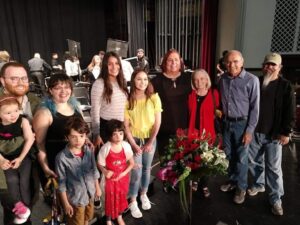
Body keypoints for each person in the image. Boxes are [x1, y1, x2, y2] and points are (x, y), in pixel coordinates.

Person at [248, 53, 294, 216]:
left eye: (273, 65)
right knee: (254, 163)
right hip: (255, 132)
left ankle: (275, 199)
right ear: (263, 66)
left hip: (274, 135)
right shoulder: (256, 82)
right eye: (267, 64)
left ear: (279, 67)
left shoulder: (286, 86)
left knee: (274, 168)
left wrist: (286, 131)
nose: (269, 67)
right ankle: (259, 184)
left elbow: (290, 110)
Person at [0, 62, 41, 224]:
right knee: (12, 206)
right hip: (4, 166)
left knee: (29, 199)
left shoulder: (32, 99)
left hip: (28, 160)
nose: (21, 83)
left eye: (24, 78)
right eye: (14, 79)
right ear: (3, 81)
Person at [219, 50, 260, 205]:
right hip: (227, 123)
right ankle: (232, 181)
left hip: (242, 124)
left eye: (235, 61)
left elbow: (255, 109)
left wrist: (249, 131)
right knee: (229, 155)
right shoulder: (223, 79)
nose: (232, 65)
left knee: (242, 158)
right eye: (228, 62)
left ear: (242, 62)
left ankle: (241, 187)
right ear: (225, 64)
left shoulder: (252, 80)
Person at [33, 74, 83, 188]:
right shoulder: (44, 113)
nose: (63, 91)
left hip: (77, 163)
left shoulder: (76, 108)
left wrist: (87, 140)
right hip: (56, 165)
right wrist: (45, 168)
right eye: (58, 88)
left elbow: (80, 131)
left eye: (66, 87)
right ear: (50, 90)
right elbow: (39, 145)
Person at [124, 69, 162, 218]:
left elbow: (158, 122)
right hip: (134, 140)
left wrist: (151, 141)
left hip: (150, 139)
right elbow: (126, 126)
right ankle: (133, 200)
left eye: (145, 79)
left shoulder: (153, 98)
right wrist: (133, 144)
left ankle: (143, 194)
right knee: (136, 172)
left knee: (147, 169)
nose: (143, 82)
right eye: (139, 79)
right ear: (133, 80)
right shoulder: (128, 100)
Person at [151, 49, 192, 181]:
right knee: (166, 157)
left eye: (176, 59)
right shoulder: (156, 81)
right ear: (164, 62)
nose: (173, 62)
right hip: (164, 127)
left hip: (184, 126)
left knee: (184, 157)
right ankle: (168, 182)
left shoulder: (188, 78)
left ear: (180, 62)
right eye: (170, 60)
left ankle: (182, 180)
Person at [55, 116, 101, 225]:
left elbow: (94, 170)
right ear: (67, 137)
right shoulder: (61, 158)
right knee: (77, 222)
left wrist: (97, 187)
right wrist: (66, 204)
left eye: (81, 136)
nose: (78, 140)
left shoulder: (88, 150)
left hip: (90, 194)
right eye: (73, 137)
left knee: (87, 218)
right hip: (76, 199)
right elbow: (61, 184)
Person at [0, 95, 35, 224]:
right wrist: (1, 160)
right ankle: (20, 208)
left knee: (24, 182)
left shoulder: (23, 121)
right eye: (8, 113)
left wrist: (20, 158)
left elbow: (30, 139)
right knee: (11, 180)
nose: (13, 115)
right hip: (6, 158)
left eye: (16, 110)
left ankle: (26, 210)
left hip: (23, 156)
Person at [187, 69, 220, 197]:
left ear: (207, 80)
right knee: (195, 159)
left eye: (202, 79)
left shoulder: (214, 94)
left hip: (208, 134)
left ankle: (204, 184)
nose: (198, 81)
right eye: (195, 79)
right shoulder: (191, 95)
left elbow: (218, 112)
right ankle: (195, 180)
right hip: (193, 133)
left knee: (207, 160)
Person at [97, 119, 134, 225]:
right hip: (109, 181)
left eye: (121, 133)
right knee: (109, 200)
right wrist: (104, 171)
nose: (118, 137)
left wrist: (123, 173)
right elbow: (99, 163)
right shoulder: (105, 148)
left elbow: (131, 163)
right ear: (109, 135)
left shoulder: (126, 146)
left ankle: (119, 217)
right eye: (114, 134)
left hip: (122, 180)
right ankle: (108, 220)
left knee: (121, 197)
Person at [91, 51, 128, 148]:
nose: (114, 67)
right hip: (106, 129)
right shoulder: (99, 83)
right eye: (110, 64)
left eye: (116, 63)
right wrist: (96, 134)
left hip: (120, 129)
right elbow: (95, 110)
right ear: (104, 66)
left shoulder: (121, 82)